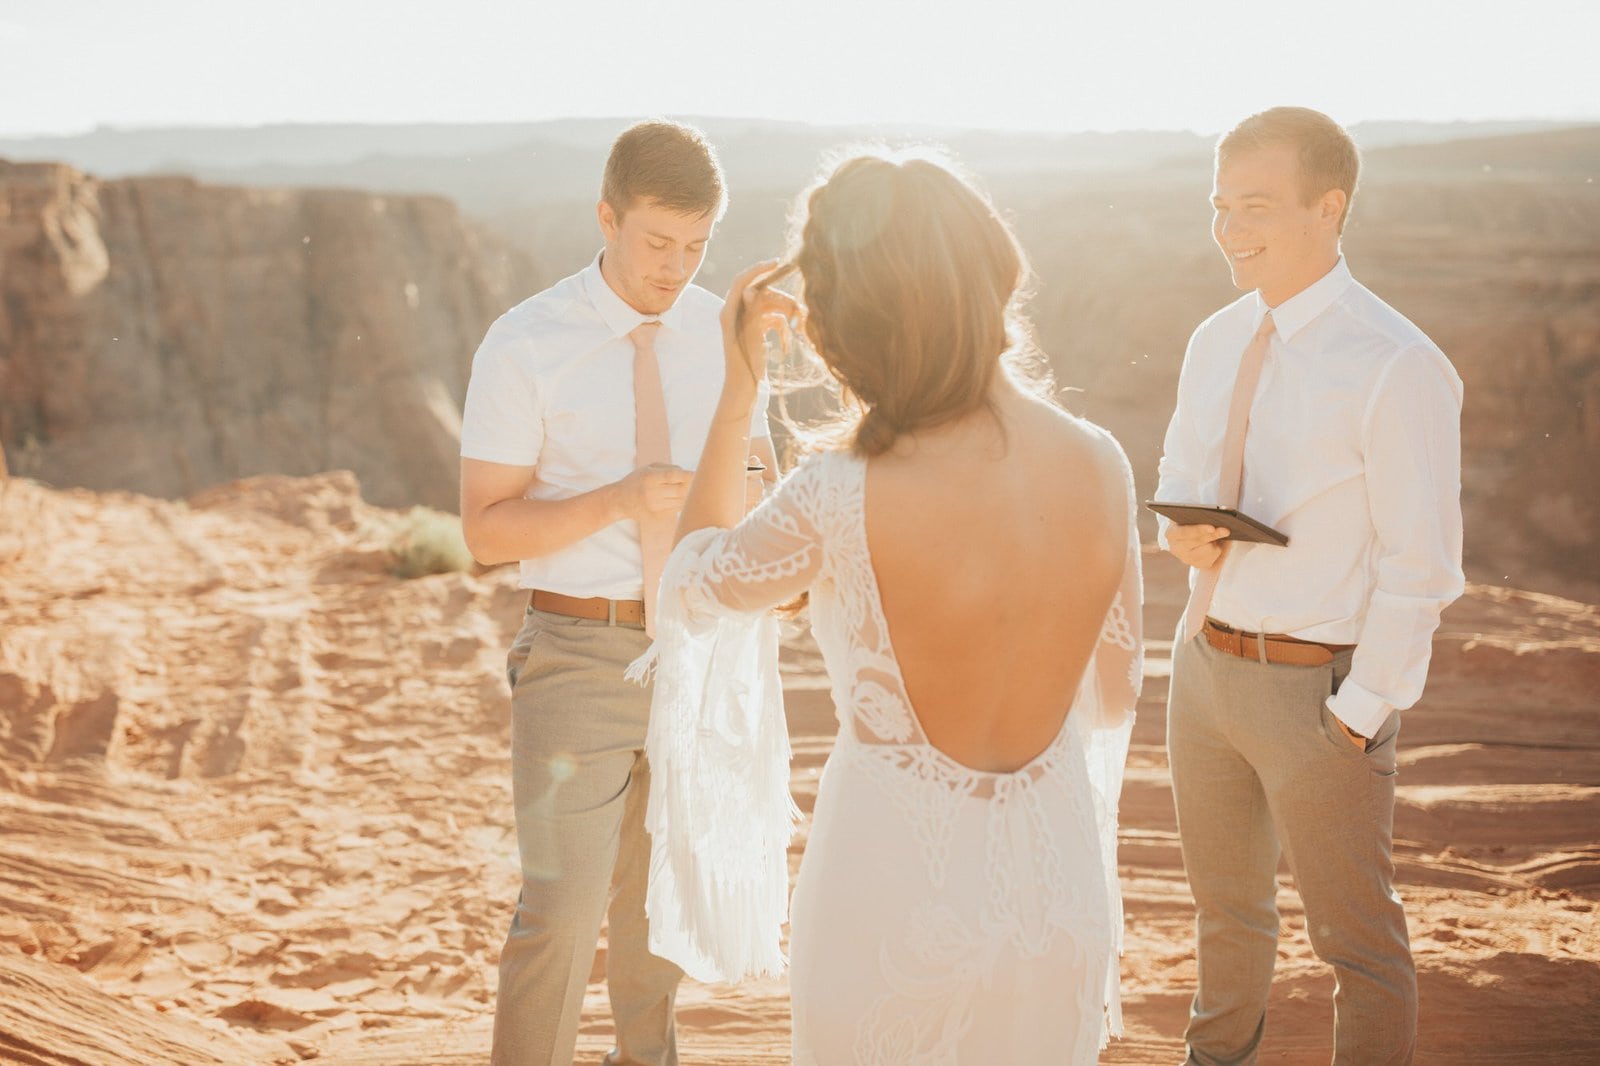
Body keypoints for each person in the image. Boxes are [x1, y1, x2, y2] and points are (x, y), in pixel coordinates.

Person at [644, 148, 1143, 1064]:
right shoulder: (1102, 464)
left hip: (893, 898)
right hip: (1059, 894)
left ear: (861, 328)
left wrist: (739, 389)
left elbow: (688, 588)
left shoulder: (841, 491)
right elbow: (1110, 694)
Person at [458, 119, 776, 1066]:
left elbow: (755, 480)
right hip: (577, 656)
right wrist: (617, 501)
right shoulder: (525, 344)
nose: (675, 268)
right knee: (558, 915)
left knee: (656, 920)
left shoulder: (723, 336)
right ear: (607, 217)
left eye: (695, 246)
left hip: (695, 656)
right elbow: (484, 532)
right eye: (655, 243)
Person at [1156, 107, 1464, 1065]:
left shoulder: (1398, 364)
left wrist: (1360, 711)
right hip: (1205, 672)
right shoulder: (1215, 338)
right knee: (1226, 921)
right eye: (1219, 204)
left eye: (1254, 205)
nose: (1228, 228)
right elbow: (1177, 485)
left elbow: (1424, 567)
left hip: (1318, 693)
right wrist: (1185, 537)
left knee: (1359, 947)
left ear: (1329, 208)